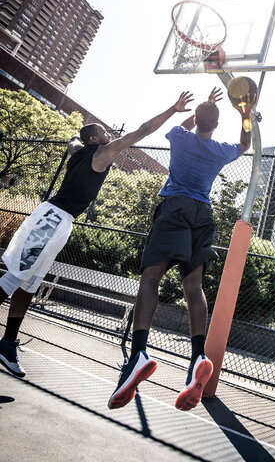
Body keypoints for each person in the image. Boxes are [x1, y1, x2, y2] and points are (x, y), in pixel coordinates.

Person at [0, 92, 194, 378]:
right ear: (94, 140)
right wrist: (173, 110)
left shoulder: (79, 151)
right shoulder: (102, 153)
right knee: (15, 277)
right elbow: (143, 131)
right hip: (51, 220)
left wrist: (75, 140)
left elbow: (72, 143)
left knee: (29, 286)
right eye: (102, 131)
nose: (107, 133)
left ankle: (6, 344)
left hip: (58, 222)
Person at [108, 86, 255, 412]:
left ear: (197, 119)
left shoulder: (179, 135)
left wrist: (195, 110)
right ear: (215, 125)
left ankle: (139, 354)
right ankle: (198, 357)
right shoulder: (219, 149)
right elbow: (246, 143)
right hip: (203, 213)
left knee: (151, 278)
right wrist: (245, 113)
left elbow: (188, 125)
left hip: (174, 206)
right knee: (193, 286)